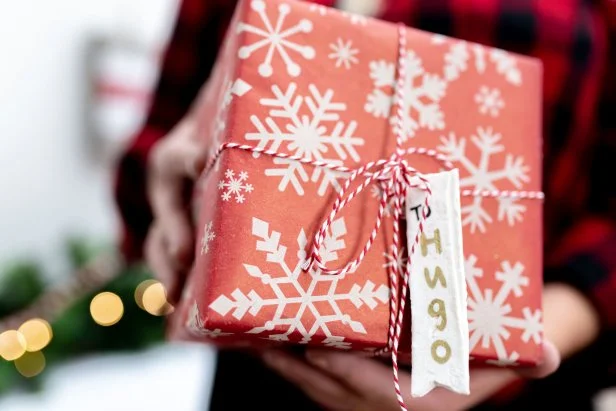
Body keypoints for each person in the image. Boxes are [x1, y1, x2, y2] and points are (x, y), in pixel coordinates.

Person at [113, 0, 616, 409]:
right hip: (268, 375)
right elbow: (159, 141)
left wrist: (533, 333)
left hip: (514, 391)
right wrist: (188, 156)